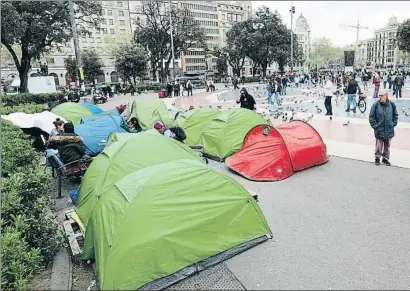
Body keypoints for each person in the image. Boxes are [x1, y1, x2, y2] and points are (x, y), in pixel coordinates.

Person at [369, 89, 398, 166]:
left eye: (382, 96)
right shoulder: (375, 105)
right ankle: (377, 158)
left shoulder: (392, 104)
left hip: (389, 129)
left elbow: (395, 115)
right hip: (379, 129)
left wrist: (393, 124)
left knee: (387, 146)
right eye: (379, 96)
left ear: (386, 96)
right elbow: (371, 117)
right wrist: (375, 126)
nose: (380, 97)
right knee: (378, 145)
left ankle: (385, 159)